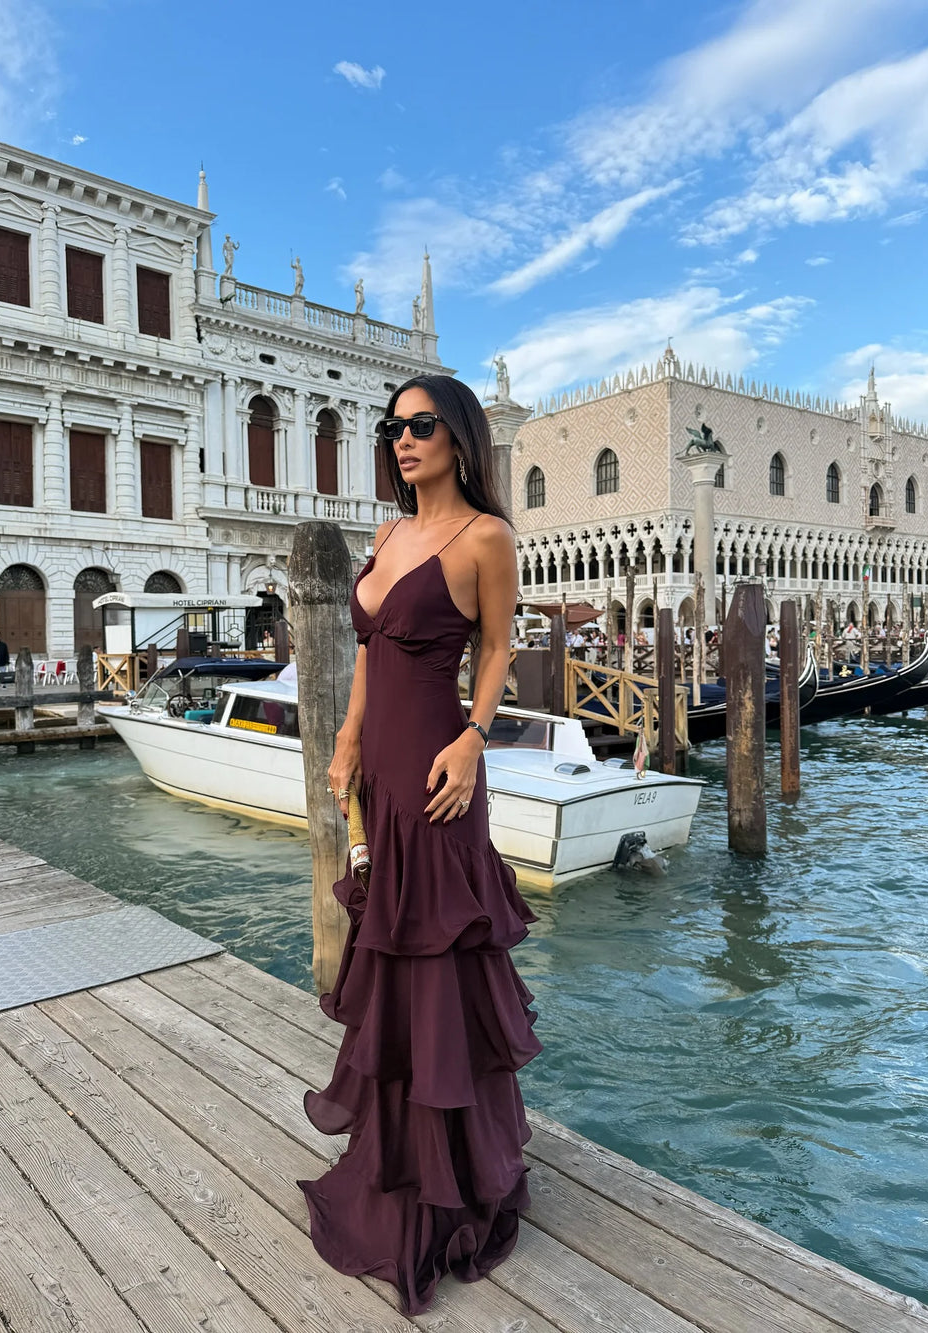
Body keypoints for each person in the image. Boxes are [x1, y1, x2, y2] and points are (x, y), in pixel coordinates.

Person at [301, 374, 540, 1315]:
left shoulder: (487, 537)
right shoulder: (388, 534)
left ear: (459, 434)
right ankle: (396, 1158)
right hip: (382, 777)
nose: (403, 440)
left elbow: (494, 649)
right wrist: (349, 741)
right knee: (389, 965)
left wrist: (476, 739)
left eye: (421, 425)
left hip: (441, 777)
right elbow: (366, 652)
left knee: (439, 965)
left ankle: (453, 1188)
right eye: (392, 427)